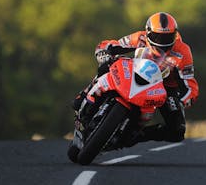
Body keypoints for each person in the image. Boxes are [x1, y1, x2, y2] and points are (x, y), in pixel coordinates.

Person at [73, 11, 199, 146]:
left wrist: (182, 100)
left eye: (167, 37)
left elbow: (190, 85)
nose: (162, 41)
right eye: (157, 37)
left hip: (164, 86)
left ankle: (134, 135)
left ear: (175, 35)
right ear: (148, 33)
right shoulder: (140, 37)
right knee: (106, 66)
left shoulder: (183, 52)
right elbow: (110, 45)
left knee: (177, 131)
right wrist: (104, 53)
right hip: (135, 72)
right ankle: (84, 98)